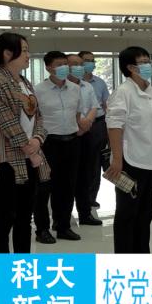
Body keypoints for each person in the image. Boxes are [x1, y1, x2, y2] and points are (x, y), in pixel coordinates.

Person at [0, 32, 50, 254]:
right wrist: (30, 150)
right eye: (25, 50)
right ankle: (4, 272)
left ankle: (22, 268)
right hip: (7, 160)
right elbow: (7, 122)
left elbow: (39, 117)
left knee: (24, 217)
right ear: (7, 53)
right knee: (5, 218)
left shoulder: (24, 82)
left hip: (29, 156)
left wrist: (37, 140)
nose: (29, 55)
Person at [106, 46, 152, 254]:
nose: (148, 65)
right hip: (131, 161)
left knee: (146, 213)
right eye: (143, 62)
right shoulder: (123, 92)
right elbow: (114, 125)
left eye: (149, 61)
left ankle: (141, 254)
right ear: (130, 67)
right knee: (127, 214)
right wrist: (117, 159)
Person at [32, 51, 88, 243]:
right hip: (48, 143)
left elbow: (78, 113)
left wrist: (79, 129)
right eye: (59, 64)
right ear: (48, 67)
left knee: (67, 186)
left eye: (66, 64)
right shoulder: (38, 90)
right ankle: (42, 230)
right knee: (44, 187)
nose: (64, 67)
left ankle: (63, 226)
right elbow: (33, 118)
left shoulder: (75, 89)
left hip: (71, 142)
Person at [66, 53, 103, 226]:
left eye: (81, 64)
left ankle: (85, 214)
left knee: (85, 175)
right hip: (67, 135)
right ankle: (63, 218)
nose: (79, 67)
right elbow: (64, 110)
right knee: (67, 178)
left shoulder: (87, 86)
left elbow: (95, 106)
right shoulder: (62, 86)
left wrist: (87, 123)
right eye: (75, 64)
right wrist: (80, 123)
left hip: (87, 133)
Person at [79, 51, 114, 208]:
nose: (90, 63)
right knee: (82, 162)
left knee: (96, 163)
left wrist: (109, 127)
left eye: (92, 61)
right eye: (86, 60)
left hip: (98, 124)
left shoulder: (100, 83)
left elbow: (106, 105)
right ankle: (79, 197)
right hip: (77, 126)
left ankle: (91, 197)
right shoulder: (74, 82)